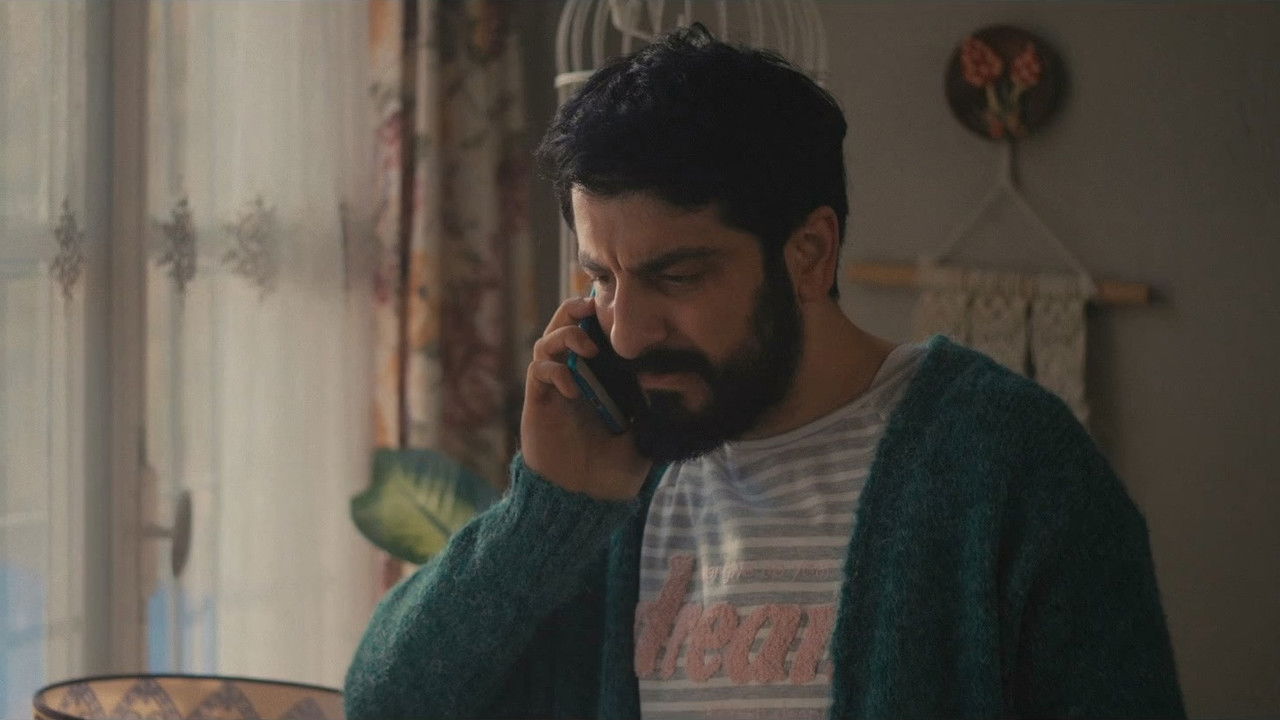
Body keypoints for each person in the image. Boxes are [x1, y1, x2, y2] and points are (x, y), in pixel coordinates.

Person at [344, 25, 1184, 720]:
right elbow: (386, 702)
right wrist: (550, 510)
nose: (626, 334)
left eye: (677, 276)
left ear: (810, 253)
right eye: (602, 278)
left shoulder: (1012, 466)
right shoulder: (607, 488)